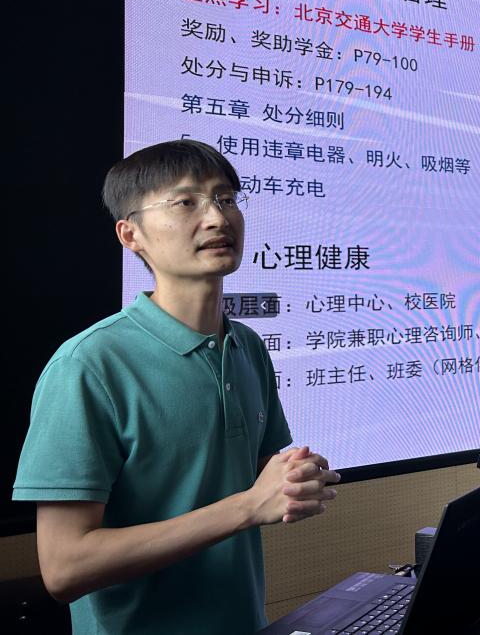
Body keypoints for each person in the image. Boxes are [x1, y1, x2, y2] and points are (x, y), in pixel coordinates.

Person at [13, 140, 338, 634]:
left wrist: (294, 478)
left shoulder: (247, 346)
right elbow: (64, 568)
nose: (217, 217)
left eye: (226, 198)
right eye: (186, 202)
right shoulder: (88, 365)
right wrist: (248, 506)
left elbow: (252, 477)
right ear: (131, 235)